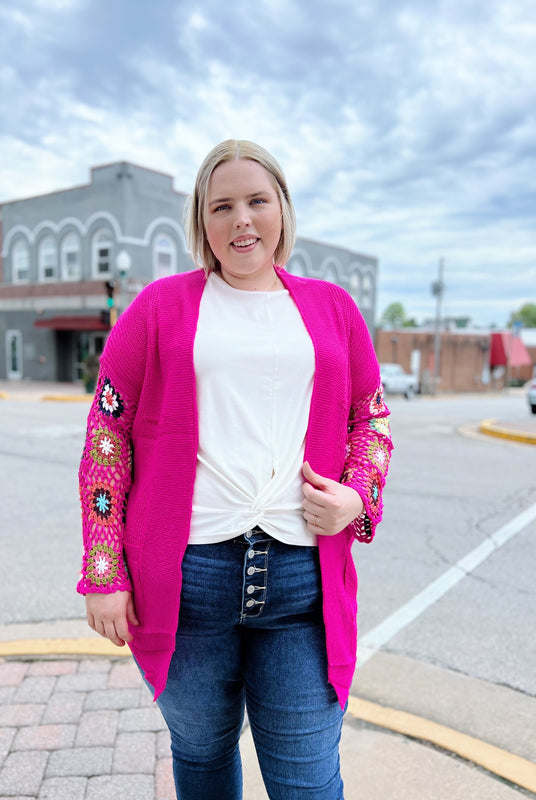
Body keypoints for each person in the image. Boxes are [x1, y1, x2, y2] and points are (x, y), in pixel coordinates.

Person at [78, 139, 392, 800]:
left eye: (257, 201)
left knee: (307, 779)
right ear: (202, 221)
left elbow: (372, 417)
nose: (241, 219)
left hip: (302, 584)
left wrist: (357, 498)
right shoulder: (158, 310)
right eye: (222, 206)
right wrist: (104, 569)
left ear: (282, 209)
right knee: (202, 754)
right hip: (190, 581)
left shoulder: (333, 309)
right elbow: (108, 433)